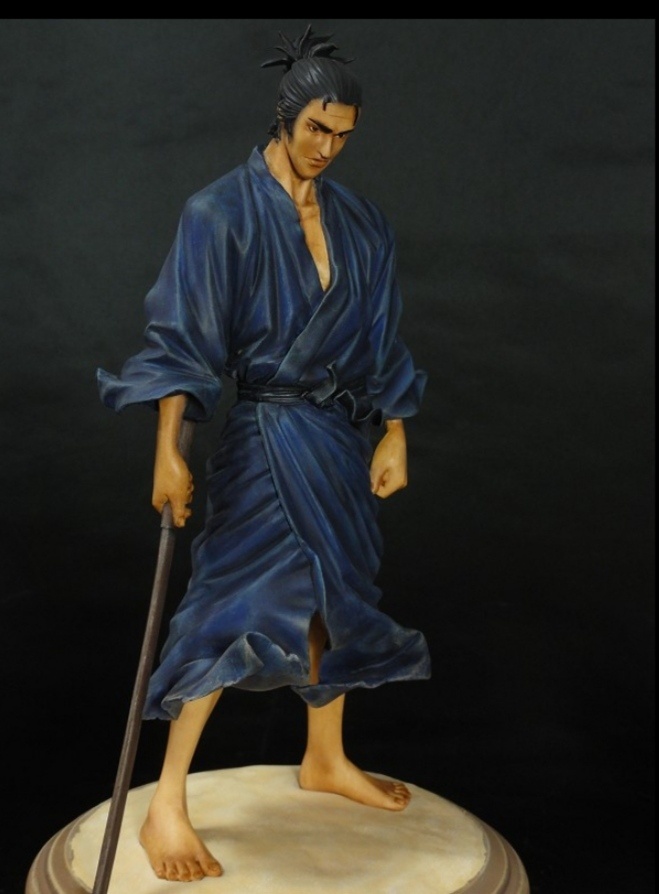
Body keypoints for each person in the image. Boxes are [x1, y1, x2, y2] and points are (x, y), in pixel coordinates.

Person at [97, 24, 431, 883]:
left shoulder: (361, 223)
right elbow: (181, 340)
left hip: (337, 440)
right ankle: (167, 799)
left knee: (338, 593)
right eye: (316, 128)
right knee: (234, 600)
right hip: (266, 436)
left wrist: (394, 431)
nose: (327, 148)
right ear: (284, 115)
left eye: (343, 136)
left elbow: (381, 338)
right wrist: (168, 449)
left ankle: (325, 755)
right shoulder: (219, 213)